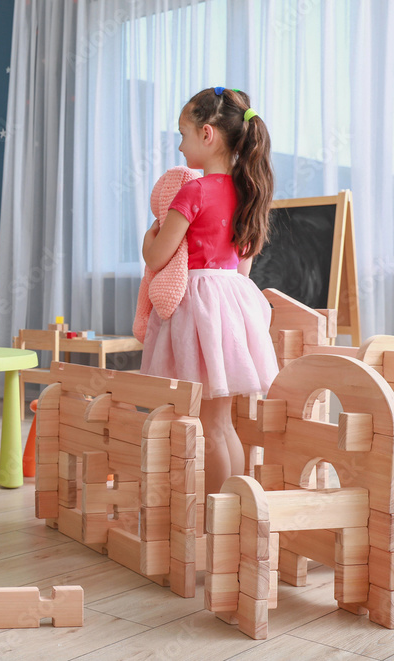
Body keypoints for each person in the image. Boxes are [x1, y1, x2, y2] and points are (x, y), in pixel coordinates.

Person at [139, 87, 279, 496]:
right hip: (231, 305)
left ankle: (217, 515)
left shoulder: (193, 192)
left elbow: (158, 258)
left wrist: (149, 237)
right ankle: (235, 509)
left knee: (208, 426)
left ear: (206, 134)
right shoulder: (246, 192)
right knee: (223, 425)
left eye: (182, 135)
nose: (180, 147)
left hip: (197, 310)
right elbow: (243, 267)